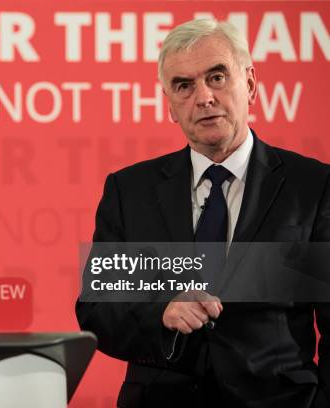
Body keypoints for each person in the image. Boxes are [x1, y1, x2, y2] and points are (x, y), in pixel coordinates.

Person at [76, 19, 330, 408]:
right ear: (170, 105)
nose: (204, 97)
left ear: (249, 84)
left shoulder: (312, 186)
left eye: (217, 77)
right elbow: (98, 311)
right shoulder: (130, 191)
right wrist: (161, 313)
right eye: (184, 85)